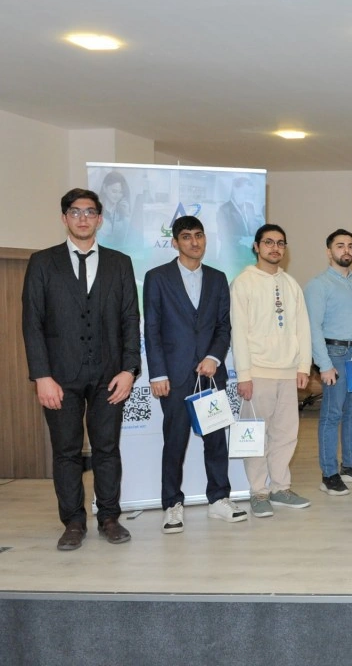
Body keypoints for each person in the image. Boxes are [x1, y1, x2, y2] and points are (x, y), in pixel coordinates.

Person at [22, 188, 141, 550]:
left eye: (90, 212)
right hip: (59, 377)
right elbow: (32, 322)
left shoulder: (120, 263)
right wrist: (42, 376)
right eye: (75, 212)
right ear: (64, 218)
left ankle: (109, 518)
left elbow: (130, 319)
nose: (83, 218)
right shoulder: (43, 262)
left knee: (107, 449)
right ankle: (73, 522)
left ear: (100, 219)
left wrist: (129, 369)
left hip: (110, 376)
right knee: (66, 452)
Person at [144, 215, 246, 533]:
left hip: (210, 376)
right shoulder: (157, 277)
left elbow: (223, 326)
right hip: (174, 377)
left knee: (215, 441)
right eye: (187, 236)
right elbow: (152, 328)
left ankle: (219, 499)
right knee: (175, 442)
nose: (194, 242)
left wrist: (214, 357)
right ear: (175, 242)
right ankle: (172, 504)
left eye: (199, 235)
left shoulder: (217, 278)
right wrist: (157, 374)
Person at [230, 223, 313, 518]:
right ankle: (258, 492)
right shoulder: (243, 282)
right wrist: (244, 375)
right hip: (258, 373)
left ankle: (280, 488)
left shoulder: (291, 284)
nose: (275, 248)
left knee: (286, 434)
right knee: (256, 435)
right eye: (268, 242)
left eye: (280, 243)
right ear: (256, 247)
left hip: (288, 372)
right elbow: (238, 332)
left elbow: (302, 328)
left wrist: (303, 366)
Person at [304, 229, 352, 497]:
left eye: (350, 245)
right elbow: (312, 328)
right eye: (340, 246)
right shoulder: (318, 285)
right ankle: (329, 474)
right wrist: (324, 365)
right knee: (332, 414)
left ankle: (351, 465)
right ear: (329, 252)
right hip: (334, 354)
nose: (346, 250)